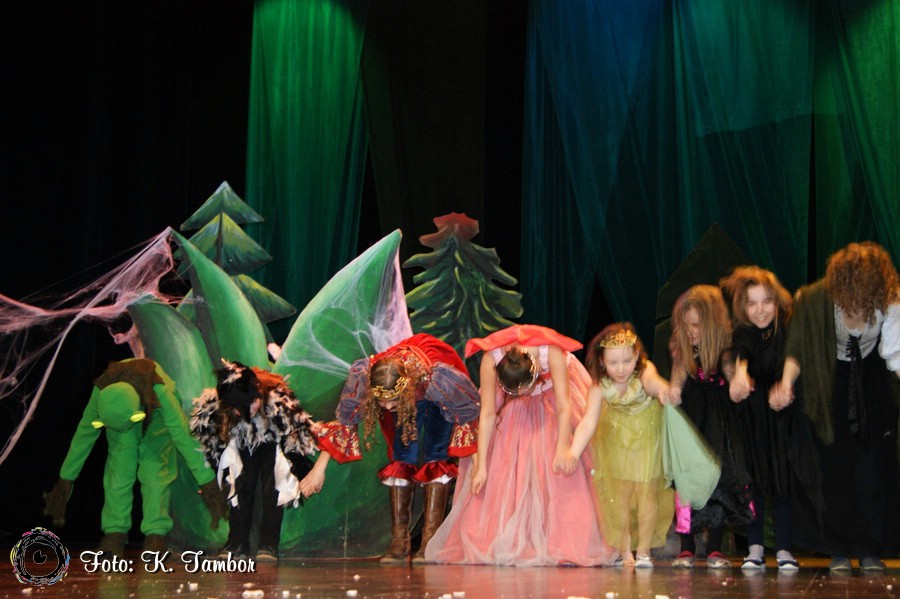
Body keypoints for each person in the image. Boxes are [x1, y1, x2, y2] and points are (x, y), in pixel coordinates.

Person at [424, 324, 613, 567]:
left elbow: (563, 406)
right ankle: (514, 537)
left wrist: (562, 447)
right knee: (509, 463)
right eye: (517, 391)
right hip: (512, 410)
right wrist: (481, 466)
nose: (523, 394)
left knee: (556, 469)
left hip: (555, 397)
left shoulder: (550, 353)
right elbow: (488, 414)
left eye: (525, 389)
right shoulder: (491, 359)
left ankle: (558, 537)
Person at [770, 242, 899, 573]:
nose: (858, 297)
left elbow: (896, 352)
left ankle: (869, 549)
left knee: (872, 469)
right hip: (829, 383)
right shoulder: (817, 299)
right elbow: (798, 347)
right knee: (834, 468)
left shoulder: (889, 299)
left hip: (871, 382)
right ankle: (838, 549)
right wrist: (786, 383)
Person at [299, 333, 480, 563]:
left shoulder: (438, 380)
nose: (386, 407)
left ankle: (430, 541)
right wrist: (318, 469)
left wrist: (478, 466)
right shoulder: (366, 378)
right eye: (381, 401)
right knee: (402, 453)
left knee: (436, 451)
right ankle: (399, 541)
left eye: (392, 401)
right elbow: (346, 421)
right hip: (406, 388)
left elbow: (467, 414)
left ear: (405, 390)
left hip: (433, 387)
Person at [42, 358, 226, 559]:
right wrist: (66, 478)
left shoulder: (160, 392)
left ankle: (156, 537)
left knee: (155, 471)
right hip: (122, 420)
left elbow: (183, 436)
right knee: (119, 471)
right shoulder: (102, 392)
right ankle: (114, 535)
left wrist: (208, 482)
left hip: (157, 417)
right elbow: (84, 434)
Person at [567, 323, 674, 569]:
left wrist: (663, 390)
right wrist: (573, 452)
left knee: (647, 494)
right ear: (602, 362)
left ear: (636, 357)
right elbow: (588, 422)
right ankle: (625, 550)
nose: (621, 368)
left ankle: (644, 550)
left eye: (627, 361)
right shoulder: (600, 385)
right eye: (613, 363)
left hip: (647, 438)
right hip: (616, 441)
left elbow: (653, 382)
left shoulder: (644, 370)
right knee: (620, 497)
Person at [190, 360, 318, 562]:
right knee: (241, 482)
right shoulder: (217, 411)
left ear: (258, 392)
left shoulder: (277, 401)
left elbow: (294, 436)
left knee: (273, 484)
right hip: (240, 441)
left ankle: (269, 543)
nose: (248, 410)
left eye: (252, 403)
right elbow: (213, 445)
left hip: (272, 440)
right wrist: (216, 476)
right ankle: (237, 542)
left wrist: (302, 469)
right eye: (240, 408)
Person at [669, 285, 753, 569]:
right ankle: (687, 547)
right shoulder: (684, 350)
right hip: (692, 423)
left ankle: (715, 547)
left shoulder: (725, 350)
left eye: (696, 325)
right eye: (686, 325)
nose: (690, 331)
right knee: (687, 483)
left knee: (718, 481)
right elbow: (678, 375)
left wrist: (737, 383)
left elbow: (731, 373)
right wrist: (673, 390)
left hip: (718, 424)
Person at [720, 266, 798, 570]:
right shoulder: (742, 331)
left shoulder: (786, 328)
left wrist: (786, 385)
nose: (760, 310)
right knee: (752, 480)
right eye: (752, 303)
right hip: (752, 414)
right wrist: (739, 377)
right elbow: (740, 355)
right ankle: (754, 547)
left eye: (766, 301)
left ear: (777, 302)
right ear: (743, 307)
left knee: (782, 479)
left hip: (781, 411)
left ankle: (785, 548)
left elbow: (793, 356)